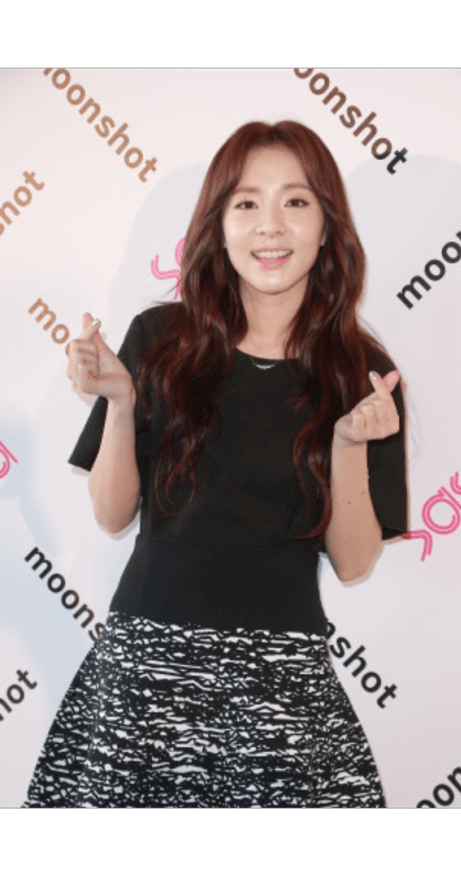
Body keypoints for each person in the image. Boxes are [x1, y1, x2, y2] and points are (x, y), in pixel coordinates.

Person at [22, 120, 407, 809]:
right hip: (144, 669)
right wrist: (119, 401)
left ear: (328, 226)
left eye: (296, 201)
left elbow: (353, 564)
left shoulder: (364, 373)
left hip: (283, 684)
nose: (270, 226)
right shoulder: (159, 340)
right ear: (218, 226)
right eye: (246, 203)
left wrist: (348, 446)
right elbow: (112, 514)